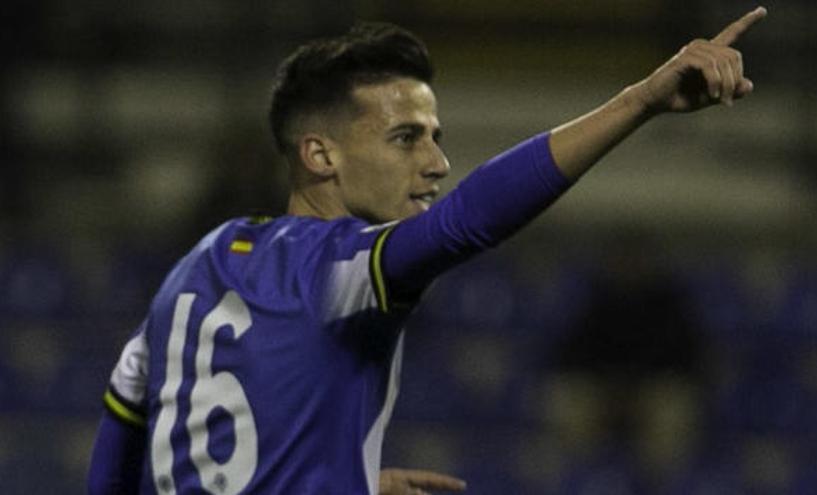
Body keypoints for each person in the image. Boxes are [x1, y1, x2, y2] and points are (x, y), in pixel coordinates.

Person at [88, 7, 768, 494]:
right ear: (320, 153)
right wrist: (640, 101)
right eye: (407, 138)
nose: (438, 162)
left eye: (435, 136)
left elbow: (125, 404)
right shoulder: (339, 269)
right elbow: (468, 222)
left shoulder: (201, 261)